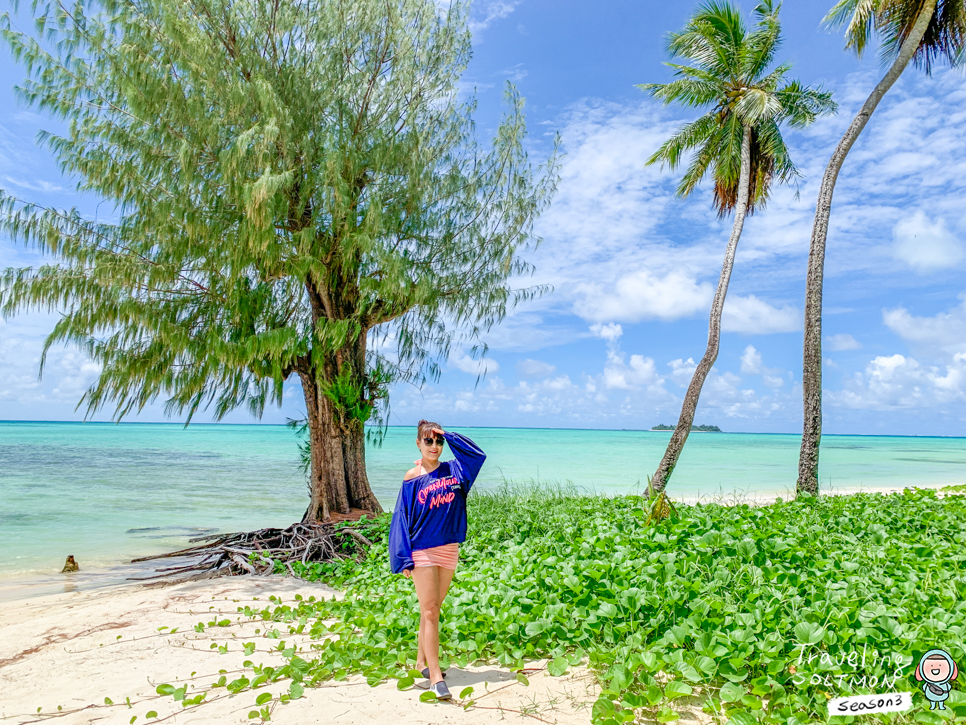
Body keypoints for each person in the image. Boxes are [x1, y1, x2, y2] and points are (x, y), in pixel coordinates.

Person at [388, 420, 486, 701]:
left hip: (448, 549)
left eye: (438, 442)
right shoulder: (412, 476)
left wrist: (450, 435)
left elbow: (477, 455)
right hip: (422, 550)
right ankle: (435, 676)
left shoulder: (456, 470)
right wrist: (403, 558)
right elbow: (401, 518)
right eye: (428, 441)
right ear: (418, 443)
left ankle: (420, 663)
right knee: (430, 610)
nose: (434, 446)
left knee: (432, 609)